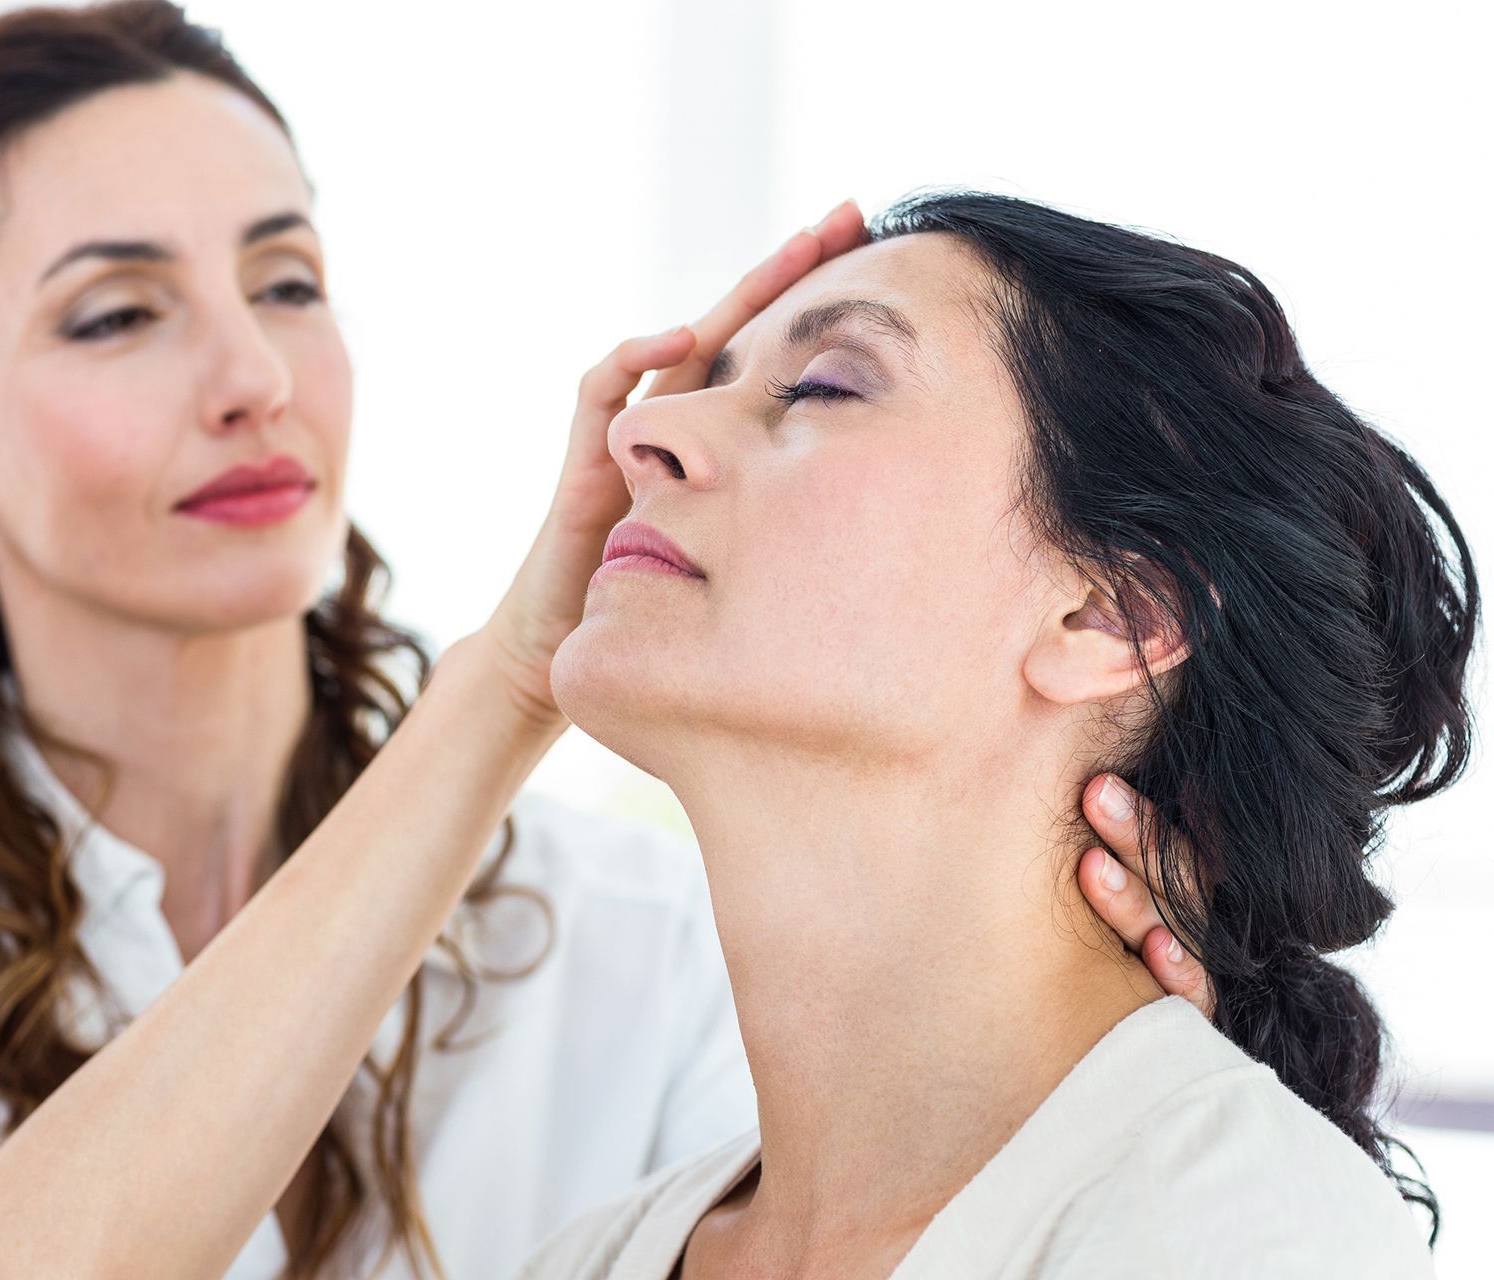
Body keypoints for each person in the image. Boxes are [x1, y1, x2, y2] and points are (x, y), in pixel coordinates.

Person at [0, 7, 1202, 1279]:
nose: (253, 379)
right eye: (117, 313)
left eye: (287, 281)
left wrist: (1087, 1080)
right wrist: (507, 683)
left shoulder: (634, 941)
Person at [513, 191, 1475, 1278]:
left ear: (1111, 613)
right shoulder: (586, 1257)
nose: (640, 429)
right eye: (714, 383)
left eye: (825, 385)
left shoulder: (1248, 1232)